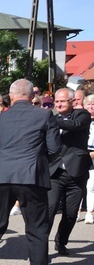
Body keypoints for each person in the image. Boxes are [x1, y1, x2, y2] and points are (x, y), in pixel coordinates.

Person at [0, 79, 61, 265]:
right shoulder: (44, 115)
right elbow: (54, 149)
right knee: (36, 228)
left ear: (11, 97)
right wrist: (40, 164)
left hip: (2, 175)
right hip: (31, 176)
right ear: (32, 97)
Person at [47, 88, 92, 256]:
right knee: (49, 211)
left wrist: (50, 119)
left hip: (77, 172)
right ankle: (40, 246)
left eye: (62, 101)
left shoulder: (82, 115)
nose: (58, 104)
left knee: (71, 213)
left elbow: (74, 126)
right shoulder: (52, 119)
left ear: (72, 102)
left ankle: (61, 241)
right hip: (55, 173)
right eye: (56, 101)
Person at [82, 94, 94, 224]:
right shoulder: (80, 120)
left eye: (93, 104)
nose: (91, 107)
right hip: (81, 156)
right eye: (88, 104)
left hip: (92, 156)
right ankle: (78, 211)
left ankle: (90, 212)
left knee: (91, 186)